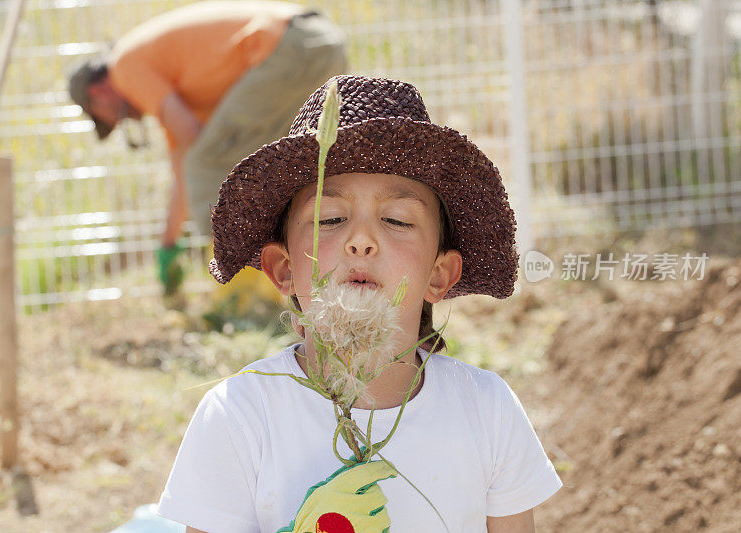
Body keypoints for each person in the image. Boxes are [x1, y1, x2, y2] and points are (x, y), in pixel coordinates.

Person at [156, 76, 562, 532]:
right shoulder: (241, 415)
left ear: (439, 274)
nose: (362, 240)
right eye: (330, 219)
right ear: (283, 269)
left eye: (396, 220)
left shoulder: (486, 410)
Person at [67, 1, 347, 294]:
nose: (118, 122)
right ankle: (303, 277)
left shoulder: (123, 66)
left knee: (214, 167)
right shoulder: (178, 86)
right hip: (315, 40)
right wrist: (168, 245)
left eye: (105, 117)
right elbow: (186, 171)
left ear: (97, 94)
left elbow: (200, 159)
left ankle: (241, 285)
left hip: (288, 47)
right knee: (279, 167)